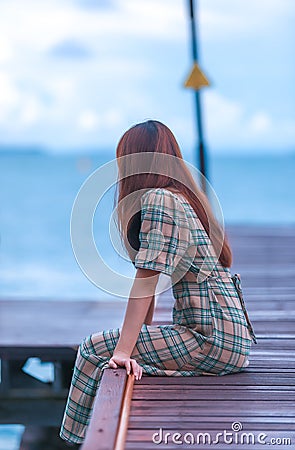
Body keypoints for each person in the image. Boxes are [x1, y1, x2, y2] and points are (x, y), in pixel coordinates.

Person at [60, 120, 256, 445]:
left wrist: (123, 349)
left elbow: (146, 279)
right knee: (108, 347)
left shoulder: (159, 200)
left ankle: (75, 442)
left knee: (93, 349)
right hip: (230, 338)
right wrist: (136, 341)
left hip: (211, 339)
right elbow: (151, 278)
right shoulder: (186, 197)